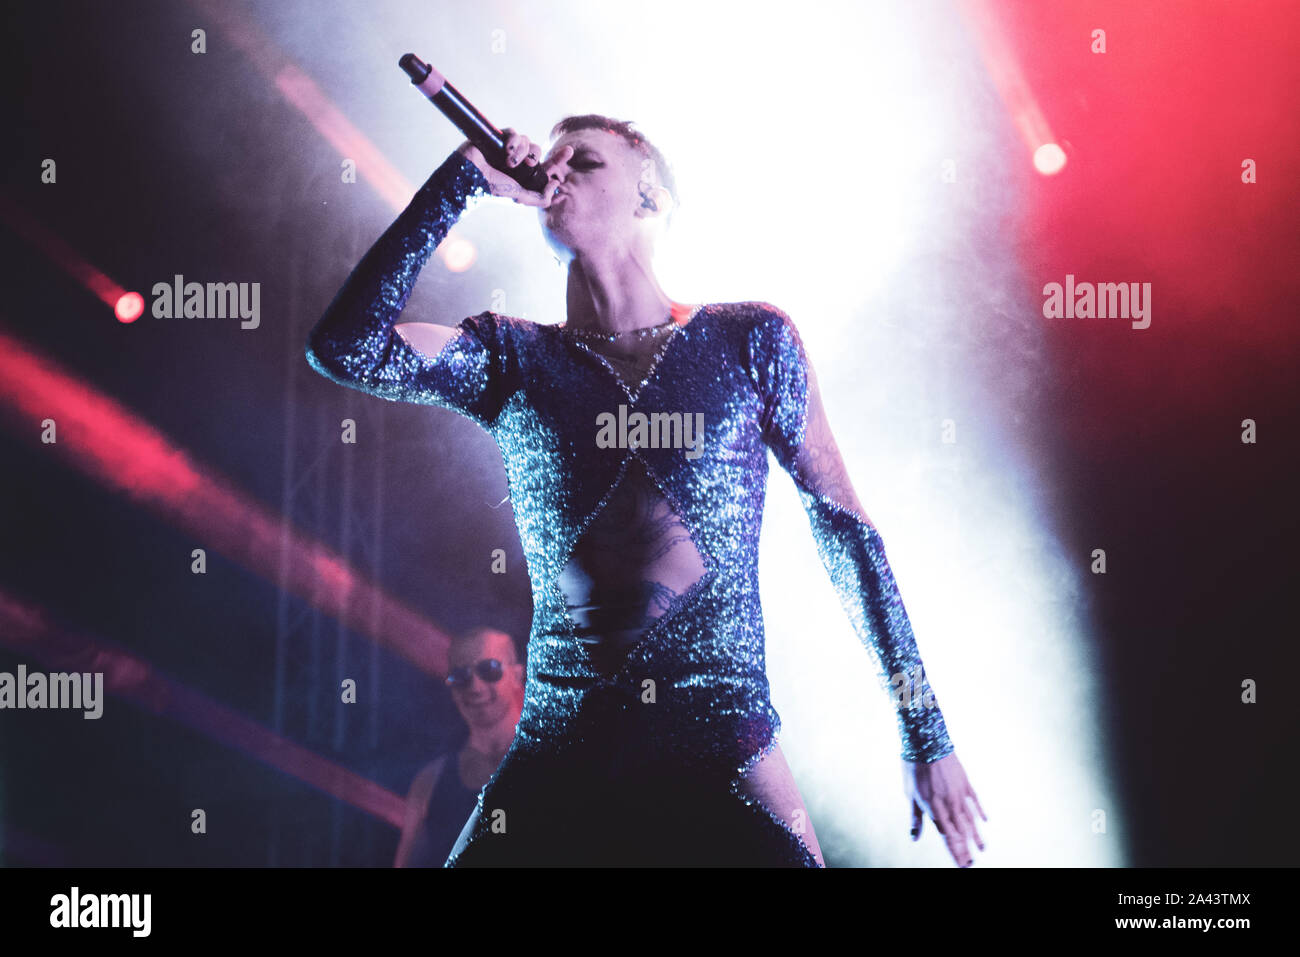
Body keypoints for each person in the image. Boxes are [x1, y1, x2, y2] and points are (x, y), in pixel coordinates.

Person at [306, 114, 986, 867]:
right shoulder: (511, 357)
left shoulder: (749, 340)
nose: (554, 168)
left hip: (723, 745)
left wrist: (924, 728)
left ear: (649, 193)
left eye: (584, 158)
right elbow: (345, 348)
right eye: (549, 155)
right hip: (559, 753)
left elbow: (844, 529)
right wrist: (461, 180)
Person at [393, 628, 524, 868]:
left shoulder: (559, 762)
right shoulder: (429, 782)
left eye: (489, 670)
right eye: (460, 676)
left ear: (517, 676)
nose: (474, 686)